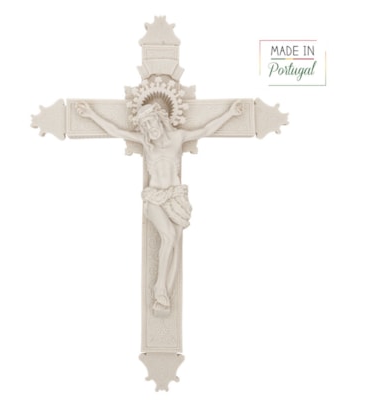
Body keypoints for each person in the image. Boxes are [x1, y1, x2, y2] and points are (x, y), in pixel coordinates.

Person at [76, 100, 243, 314]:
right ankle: (160, 288)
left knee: (174, 243)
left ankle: (164, 292)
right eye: (145, 126)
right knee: (169, 236)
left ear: (159, 120)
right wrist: (91, 114)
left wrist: (230, 113)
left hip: (176, 198)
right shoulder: (146, 144)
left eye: (151, 122)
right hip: (154, 198)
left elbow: (206, 129)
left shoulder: (177, 138)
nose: (149, 128)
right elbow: (115, 130)